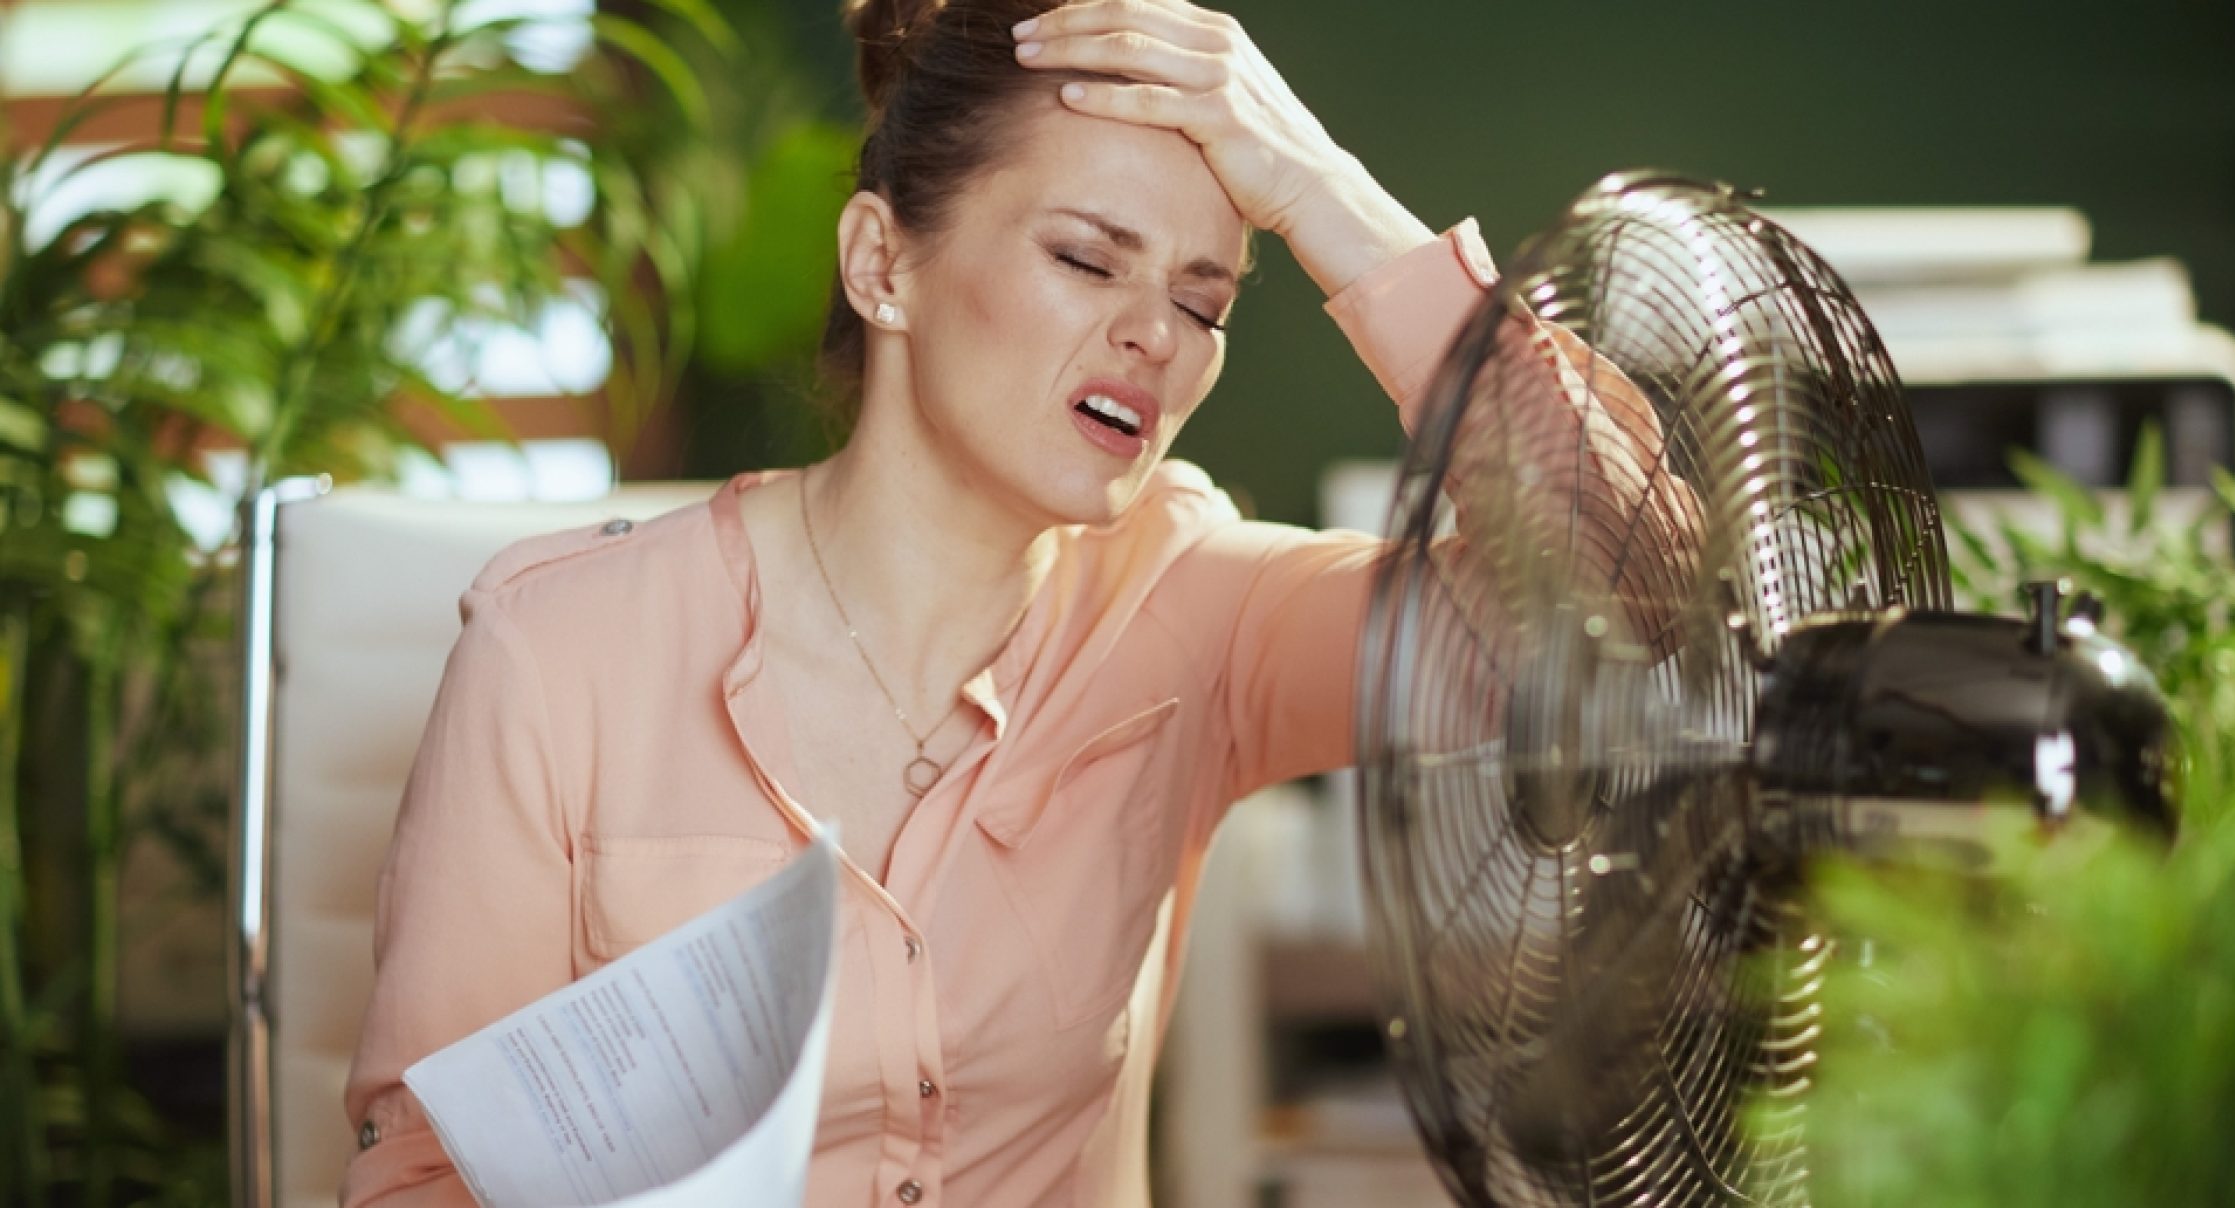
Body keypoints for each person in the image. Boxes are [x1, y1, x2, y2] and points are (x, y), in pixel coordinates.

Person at [341, 0, 1688, 1203]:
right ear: (884, 264)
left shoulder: (1195, 617)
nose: (1156, 335)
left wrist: (1325, 196)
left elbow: (1638, 589)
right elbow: (417, 1178)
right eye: (1089, 262)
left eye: (1204, 301)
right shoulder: (560, 651)